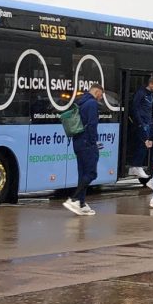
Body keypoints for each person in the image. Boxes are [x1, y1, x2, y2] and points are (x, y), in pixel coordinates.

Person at [63, 83, 105, 216]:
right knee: (92, 173)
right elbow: (92, 124)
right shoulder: (92, 104)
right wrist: (95, 142)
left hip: (78, 142)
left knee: (83, 173)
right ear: (97, 91)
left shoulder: (81, 101)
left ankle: (81, 203)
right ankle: (74, 199)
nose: (101, 98)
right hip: (88, 143)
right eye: (101, 95)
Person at [128, 76, 153, 178]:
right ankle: (135, 166)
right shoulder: (141, 93)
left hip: (148, 122)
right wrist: (140, 123)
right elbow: (135, 108)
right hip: (142, 123)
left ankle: (137, 166)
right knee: (144, 143)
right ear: (150, 84)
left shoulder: (150, 95)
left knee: (148, 144)